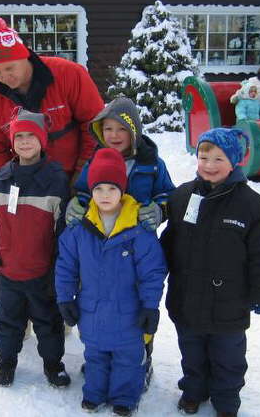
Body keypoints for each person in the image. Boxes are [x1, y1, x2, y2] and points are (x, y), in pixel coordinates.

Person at [160, 128, 260, 417]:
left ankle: (226, 401)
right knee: (192, 352)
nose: (209, 165)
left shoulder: (254, 207)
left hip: (229, 303)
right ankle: (194, 390)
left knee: (228, 358)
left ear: (234, 161)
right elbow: (169, 242)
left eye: (218, 159)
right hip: (186, 297)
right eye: (203, 157)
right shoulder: (182, 196)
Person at [65, 97, 175, 383]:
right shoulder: (97, 160)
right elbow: (84, 191)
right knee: (102, 299)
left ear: (134, 131)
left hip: (138, 248)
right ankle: (100, 355)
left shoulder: (151, 163)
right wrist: (77, 204)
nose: (114, 136)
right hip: (102, 245)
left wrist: (159, 208)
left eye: (120, 129)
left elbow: (168, 194)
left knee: (137, 304)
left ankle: (141, 356)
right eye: (108, 129)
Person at [55, 148, 167, 416]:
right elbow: (66, 266)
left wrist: (150, 306)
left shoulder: (139, 228)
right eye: (99, 188)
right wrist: (64, 297)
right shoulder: (80, 228)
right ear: (90, 191)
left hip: (129, 312)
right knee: (95, 355)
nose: (105, 195)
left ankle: (125, 397)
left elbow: (152, 272)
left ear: (123, 190)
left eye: (112, 188)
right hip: (91, 310)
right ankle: (94, 392)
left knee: (127, 358)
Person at [0, 109, 71, 388]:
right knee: (7, 322)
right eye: (19, 136)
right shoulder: (3, 178)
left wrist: (59, 268)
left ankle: (53, 364)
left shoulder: (56, 179)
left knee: (48, 324)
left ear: (42, 140)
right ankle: (7, 361)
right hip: (9, 272)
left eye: (31, 135)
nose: (25, 141)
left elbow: (63, 230)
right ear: (12, 141)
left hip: (43, 273)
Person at [0, 17, 104, 178]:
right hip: (27, 183)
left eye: (10, 68)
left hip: (74, 174)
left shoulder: (69, 74)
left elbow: (95, 124)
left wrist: (82, 173)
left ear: (24, 56)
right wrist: (8, 183)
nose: (4, 77)